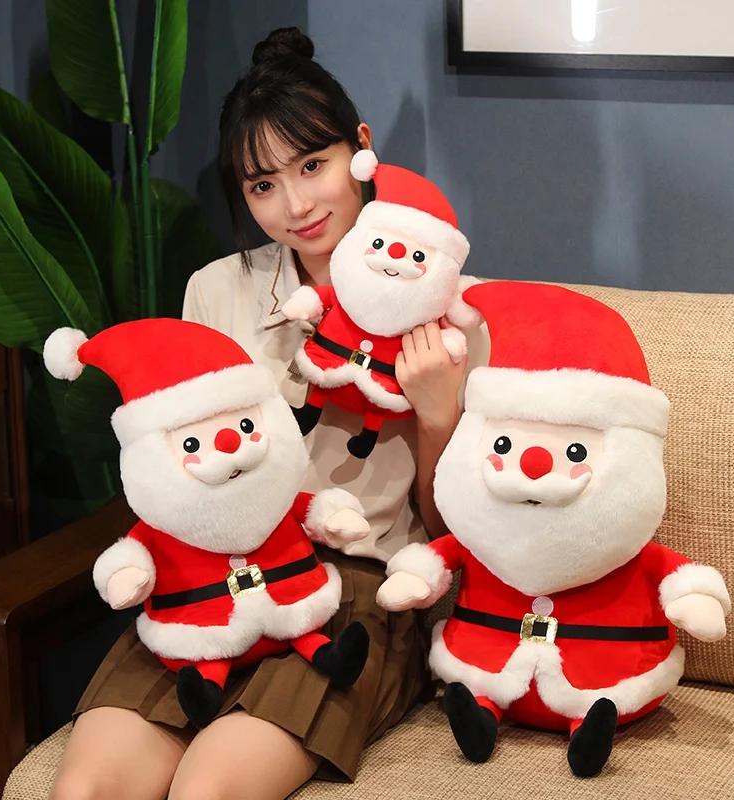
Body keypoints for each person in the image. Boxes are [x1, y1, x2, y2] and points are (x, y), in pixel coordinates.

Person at [50, 26, 476, 800]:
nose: (297, 205)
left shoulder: (445, 309)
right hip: (206, 579)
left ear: (362, 150)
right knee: (85, 790)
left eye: (313, 165)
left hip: (357, 589)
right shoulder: (217, 291)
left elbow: (458, 536)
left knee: (207, 791)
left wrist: (438, 414)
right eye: (263, 185)